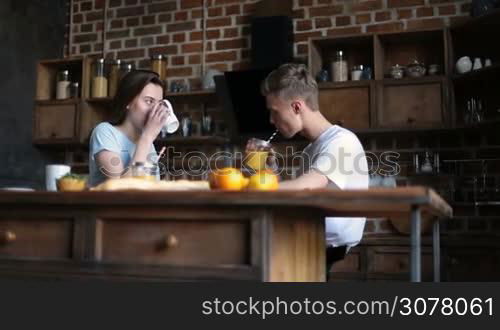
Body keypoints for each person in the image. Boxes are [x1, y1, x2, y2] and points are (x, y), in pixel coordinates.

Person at [258, 63, 369, 279]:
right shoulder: (312, 148)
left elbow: (307, 185)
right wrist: (271, 171)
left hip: (326, 253)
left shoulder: (342, 141)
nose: (272, 121)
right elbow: (300, 198)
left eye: (274, 112)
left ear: (297, 107)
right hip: (309, 244)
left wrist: (251, 190)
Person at [88, 70, 169, 187]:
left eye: (159, 103)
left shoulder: (148, 144)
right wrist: (147, 137)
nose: (155, 109)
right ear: (128, 101)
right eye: (149, 101)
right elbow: (120, 187)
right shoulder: (104, 131)